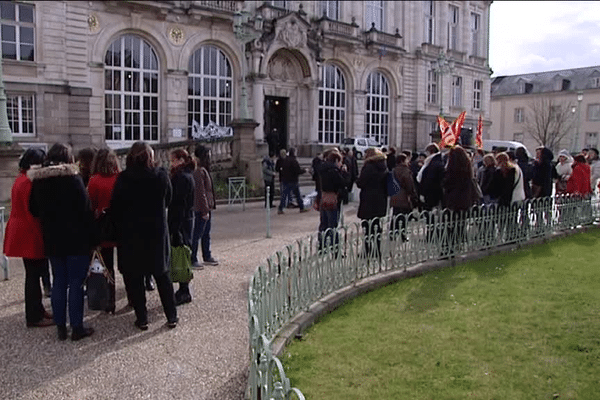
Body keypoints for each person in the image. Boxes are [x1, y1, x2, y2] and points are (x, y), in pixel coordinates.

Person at [29, 143, 97, 341]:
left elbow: (33, 209)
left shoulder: (39, 182)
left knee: (59, 280)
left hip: (52, 238)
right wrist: (94, 238)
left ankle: (60, 326)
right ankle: (77, 327)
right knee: (76, 283)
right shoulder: (73, 180)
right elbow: (86, 211)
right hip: (76, 239)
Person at [110, 141, 178, 330]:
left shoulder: (123, 178)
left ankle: (142, 318)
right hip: (155, 231)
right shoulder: (161, 176)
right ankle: (171, 315)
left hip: (131, 233)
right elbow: (168, 200)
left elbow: (116, 207)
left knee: (135, 278)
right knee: (162, 276)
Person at [4, 148, 53, 328]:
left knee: (34, 273)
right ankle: (33, 315)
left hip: (22, 229)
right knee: (33, 276)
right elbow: (33, 211)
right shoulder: (29, 182)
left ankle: (37, 310)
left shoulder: (21, 179)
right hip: (29, 231)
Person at [87, 147, 121, 314]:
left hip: (103, 227)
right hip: (121, 227)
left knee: (107, 266)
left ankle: (109, 300)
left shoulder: (94, 181)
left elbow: (90, 207)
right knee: (126, 265)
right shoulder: (120, 178)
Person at [442, 146, 482, 256]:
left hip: (454, 200)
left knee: (450, 224)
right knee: (461, 224)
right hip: (465, 200)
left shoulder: (452, 169)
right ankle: (458, 245)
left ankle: (450, 247)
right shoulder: (467, 168)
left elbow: (447, 184)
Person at [168, 149, 196, 305]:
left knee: (181, 254)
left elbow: (178, 204)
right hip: (186, 219)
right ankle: (183, 288)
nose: (171, 163)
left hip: (181, 220)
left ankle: (184, 290)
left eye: (173, 160)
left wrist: (173, 227)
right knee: (183, 253)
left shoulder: (181, 177)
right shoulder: (185, 175)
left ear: (180, 160)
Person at [356, 148, 388, 259]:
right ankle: (377, 250)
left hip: (368, 200)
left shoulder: (368, 167)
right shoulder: (383, 166)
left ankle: (367, 250)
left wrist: (357, 180)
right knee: (376, 226)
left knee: (367, 227)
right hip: (380, 199)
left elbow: (361, 183)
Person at [191, 145, 219, 268]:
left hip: (206, 206)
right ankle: (193, 258)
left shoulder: (204, 170)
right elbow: (200, 192)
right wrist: (204, 210)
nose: (210, 157)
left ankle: (207, 255)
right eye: (208, 154)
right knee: (197, 234)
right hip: (202, 208)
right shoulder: (199, 171)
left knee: (206, 233)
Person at [317, 150, 349, 252]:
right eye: (340, 162)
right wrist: (343, 172)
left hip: (324, 197)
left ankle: (322, 246)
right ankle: (335, 248)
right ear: (336, 160)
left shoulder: (323, 169)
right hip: (333, 199)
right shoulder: (334, 171)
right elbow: (342, 183)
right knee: (333, 225)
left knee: (324, 224)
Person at [390, 153, 418, 242]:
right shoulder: (405, 171)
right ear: (403, 161)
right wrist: (413, 196)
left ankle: (392, 234)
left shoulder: (393, 170)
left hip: (394, 195)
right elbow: (409, 185)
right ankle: (403, 235)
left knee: (395, 215)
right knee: (404, 217)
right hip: (404, 197)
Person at [277, 147, 309, 214]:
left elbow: (283, 170)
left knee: (284, 195)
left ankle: (280, 209)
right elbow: (297, 170)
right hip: (293, 180)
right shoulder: (294, 161)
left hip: (286, 179)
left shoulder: (286, 160)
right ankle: (302, 207)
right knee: (297, 195)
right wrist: (305, 170)